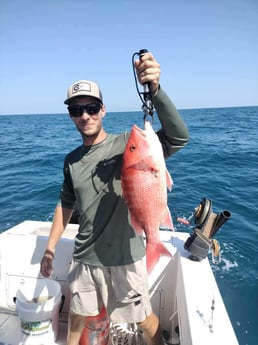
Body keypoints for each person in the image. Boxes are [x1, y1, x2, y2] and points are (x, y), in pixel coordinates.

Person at [40, 51, 189, 345]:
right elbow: (65, 205)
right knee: (77, 318)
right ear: (70, 115)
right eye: (76, 110)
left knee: (142, 319)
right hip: (85, 258)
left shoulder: (128, 144)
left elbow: (178, 137)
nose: (85, 116)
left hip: (126, 254)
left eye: (92, 107)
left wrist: (155, 91)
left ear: (103, 110)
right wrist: (50, 249)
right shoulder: (71, 161)